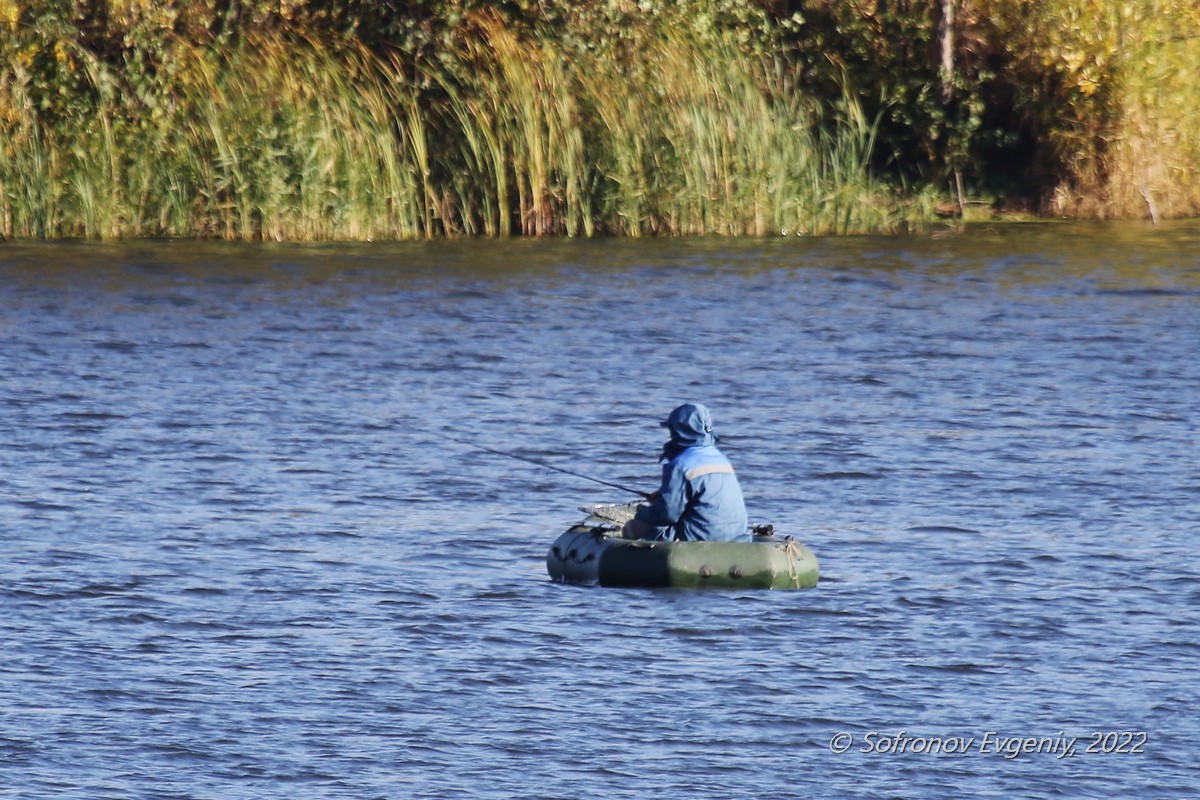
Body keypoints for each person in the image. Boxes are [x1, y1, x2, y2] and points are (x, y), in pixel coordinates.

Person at [622, 403, 750, 542]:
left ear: (678, 431)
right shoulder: (721, 459)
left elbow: (667, 514)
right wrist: (662, 496)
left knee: (633, 527)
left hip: (696, 539)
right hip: (736, 538)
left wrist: (641, 514)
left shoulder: (680, 464)